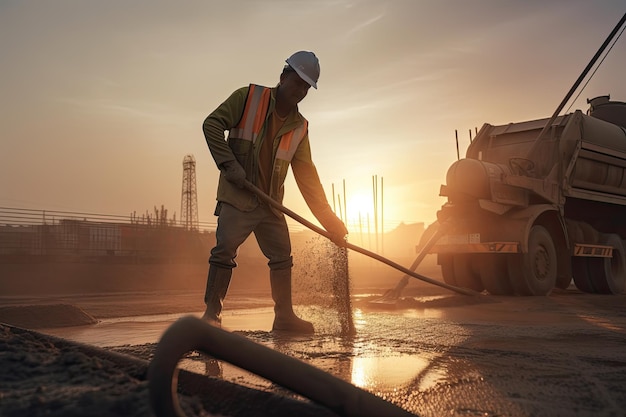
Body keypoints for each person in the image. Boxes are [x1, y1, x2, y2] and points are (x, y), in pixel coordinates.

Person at [201, 51, 348, 334]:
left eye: (306, 87)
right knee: (225, 249)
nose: (301, 91)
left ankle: (284, 317)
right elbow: (211, 124)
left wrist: (329, 220)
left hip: (270, 206)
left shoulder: (300, 127)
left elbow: (307, 177)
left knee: (282, 256)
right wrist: (228, 164)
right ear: (283, 77)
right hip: (238, 197)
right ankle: (212, 313)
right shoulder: (248, 98)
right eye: (297, 83)